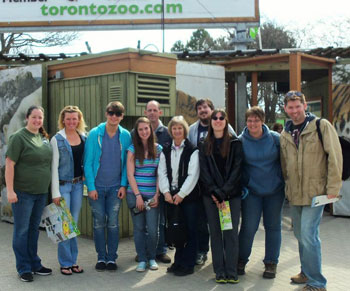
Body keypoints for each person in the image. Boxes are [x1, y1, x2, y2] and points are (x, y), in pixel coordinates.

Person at [280, 91, 342, 291]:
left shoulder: (321, 126)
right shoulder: (285, 132)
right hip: (295, 194)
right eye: (290, 107)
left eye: (298, 106)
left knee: (308, 234)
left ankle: (317, 282)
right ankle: (306, 272)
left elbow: (335, 156)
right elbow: (284, 165)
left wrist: (333, 188)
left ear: (305, 106)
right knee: (299, 234)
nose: (295, 110)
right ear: (285, 109)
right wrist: (287, 187)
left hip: (317, 193)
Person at [5, 105, 53, 282]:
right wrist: (10, 191)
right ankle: (23, 267)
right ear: (27, 118)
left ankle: (35, 263)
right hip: (23, 193)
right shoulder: (18, 138)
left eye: (40, 118)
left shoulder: (43, 138)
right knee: (22, 231)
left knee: (33, 230)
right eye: (34, 117)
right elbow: (10, 164)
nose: (37, 121)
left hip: (40, 193)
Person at [238, 106, 285, 279]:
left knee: (273, 227)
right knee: (249, 227)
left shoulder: (276, 139)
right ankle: (241, 259)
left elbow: (285, 161)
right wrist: (243, 185)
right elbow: (238, 167)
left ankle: (271, 263)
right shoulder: (240, 140)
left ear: (263, 121)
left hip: (275, 191)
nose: (253, 123)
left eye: (256, 120)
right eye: (250, 120)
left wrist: (284, 181)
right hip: (251, 192)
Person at [84, 101, 131, 272]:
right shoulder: (94, 134)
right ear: (106, 114)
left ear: (122, 116)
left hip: (115, 188)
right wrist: (91, 187)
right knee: (98, 224)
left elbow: (127, 164)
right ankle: (101, 258)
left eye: (118, 114)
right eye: (111, 112)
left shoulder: (125, 135)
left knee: (112, 223)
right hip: (97, 186)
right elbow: (88, 163)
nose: (114, 116)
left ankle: (112, 258)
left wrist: (123, 185)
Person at [188, 98, 236, 265]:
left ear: (212, 110)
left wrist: (224, 188)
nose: (203, 111)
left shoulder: (224, 125)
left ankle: (225, 254)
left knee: (224, 223)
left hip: (223, 188)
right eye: (199, 108)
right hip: (201, 186)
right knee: (202, 222)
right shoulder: (192, 130)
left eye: (206, 108)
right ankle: (203, 251)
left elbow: (234, 152)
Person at [198, 109, 243, 284]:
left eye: (221, 118)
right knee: (215, 233)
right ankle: (219, 271)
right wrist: (215, 193)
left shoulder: (235, 143)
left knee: (230, 233)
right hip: (211, 198)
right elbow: (204, 172)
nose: (217, 120)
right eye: (214, 118)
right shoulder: (204, 143)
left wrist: (223, 193)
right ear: (210, 122)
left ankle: (231, 271)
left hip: (231, 196)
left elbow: (237, 170)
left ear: (226, 121)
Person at [158, 116, 200, 276]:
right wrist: (166, 192)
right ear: (171, 131)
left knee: (189, 230)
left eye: (180, 128)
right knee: (177, 230)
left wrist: (181, 194)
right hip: (170, 197)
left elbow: (193, 175)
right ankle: (178, 262)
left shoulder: (193, 149)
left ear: (184, 130)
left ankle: (188, 264)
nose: (177, 131)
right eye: (174, 128)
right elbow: (161, 172)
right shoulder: (166, 149)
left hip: (188, 198)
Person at [51, 105, 87, 275]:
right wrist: (55, 193)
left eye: (75, 118)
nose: (72, 121)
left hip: (78, 185)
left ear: (79, 119)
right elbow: (53, 168)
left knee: (74, 224)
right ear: (63, 120)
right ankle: (65, 262)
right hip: (63, 186)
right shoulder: (57, 139)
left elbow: (85, 161)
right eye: (68, 119)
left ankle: (73, 261)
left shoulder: (84, 137)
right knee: (65, 225)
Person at [135, 100, 172, 264]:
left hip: (161, 185)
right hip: (141, 187)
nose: (151, 113)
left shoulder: (167, 132)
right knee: (142, 223)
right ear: (145, 112)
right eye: (149, 110)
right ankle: (143, 251)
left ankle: (160, 250)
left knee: (160, 220)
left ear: (160, 112)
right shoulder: (135, 132)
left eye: (154, 110)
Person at [126, 117, 162, 272]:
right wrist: (138, 196)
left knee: (153, 229)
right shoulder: (132, 149)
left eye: (146, 128)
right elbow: (130, 174)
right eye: (140, 129)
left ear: (150, 129)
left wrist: (157, 195)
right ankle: (141, 259)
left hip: (152, 196)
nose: (144, 132)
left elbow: (161, 174)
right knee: (139, 228)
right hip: (135, 195)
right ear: (137, 132)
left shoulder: (159, 149)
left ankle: (152, 257)